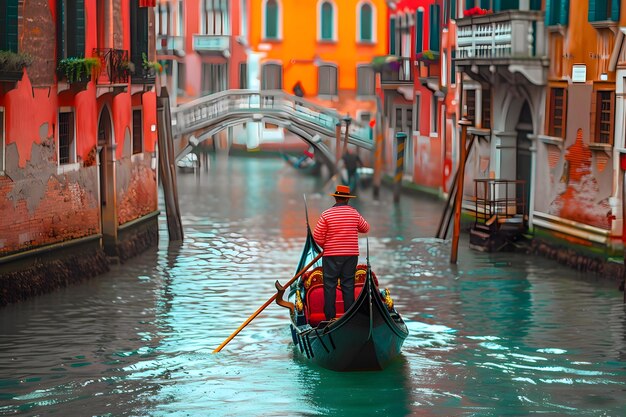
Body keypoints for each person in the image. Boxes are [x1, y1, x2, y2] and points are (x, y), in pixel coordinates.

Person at [313, 184, 370, 322]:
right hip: (350, 255)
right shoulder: (354, 213)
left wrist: (326, 246)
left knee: (330, 285)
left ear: (336, 198)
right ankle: (349, 317)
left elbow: (317, 236)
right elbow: (365, 228)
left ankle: (330, 317)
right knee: (348, 284)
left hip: (331, 255)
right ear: (347, 199)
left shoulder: (326, 214)